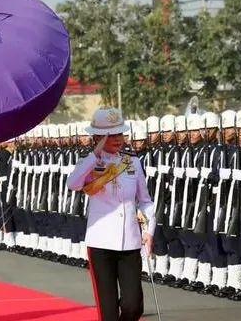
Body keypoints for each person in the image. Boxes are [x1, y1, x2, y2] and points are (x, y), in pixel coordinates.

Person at [67, 107, 155, 321]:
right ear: (98, 137)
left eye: (120, 133)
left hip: (130, 242)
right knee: (108, 312)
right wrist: (94, 155)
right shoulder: (89, 162)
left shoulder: (131, 161)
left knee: (133, 305)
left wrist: (150, 231)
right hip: (101, 243)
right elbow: (73, 183)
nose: (118, 139)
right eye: (111, 134)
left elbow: (145, 201)